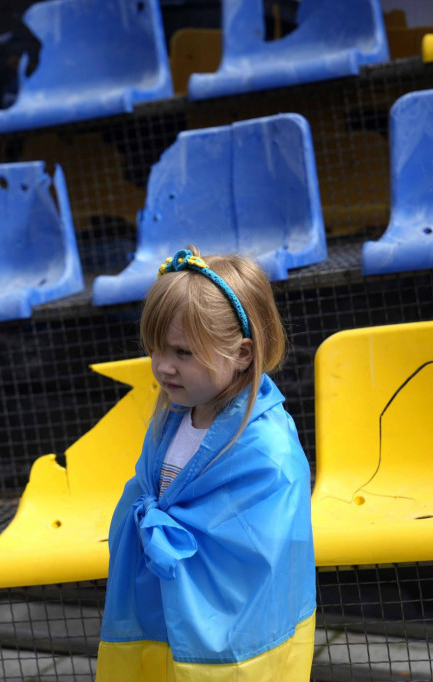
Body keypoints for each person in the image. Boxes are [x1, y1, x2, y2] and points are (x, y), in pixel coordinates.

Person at [96, 247, 316, 681]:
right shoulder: (172, 417)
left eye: (183, 352)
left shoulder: (268, 449)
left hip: (232, 636)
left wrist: (168, 533)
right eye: (156, 349)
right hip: (162, 611)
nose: (162, 367)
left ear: (243, 354)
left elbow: (259, 553)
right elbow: (149, 495)